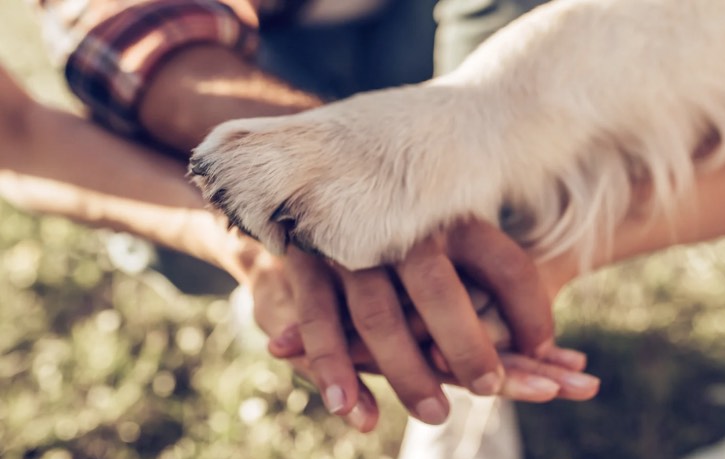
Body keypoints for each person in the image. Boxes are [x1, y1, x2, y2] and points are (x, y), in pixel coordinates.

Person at [22, 0, 600, 427]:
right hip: (247, 55)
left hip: (440, 30)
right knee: (188, 222)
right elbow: (19, 131)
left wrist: (436, 189)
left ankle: (461, 314)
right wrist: (272, 222)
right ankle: (428, 306)